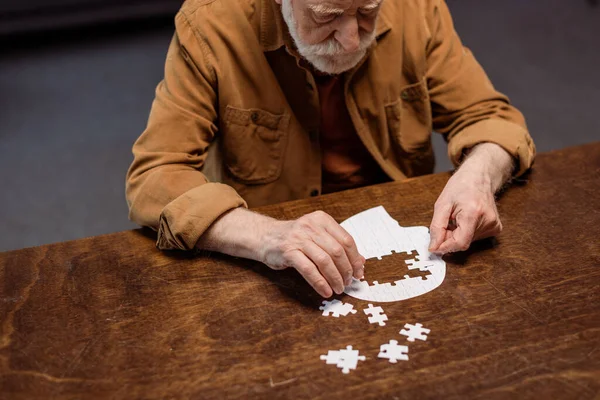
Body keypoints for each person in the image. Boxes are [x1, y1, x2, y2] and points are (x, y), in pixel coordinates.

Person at [126, 0, 536, 298]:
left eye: (367, 11)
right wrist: (266, 234)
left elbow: (490, 118)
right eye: (327, 16)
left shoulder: (415, 7)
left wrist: (478, 175)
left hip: (408, 240)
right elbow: (155, 177)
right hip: (272, 263)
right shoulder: (211, 24)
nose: (353, 38)